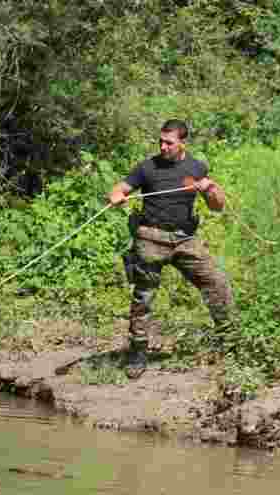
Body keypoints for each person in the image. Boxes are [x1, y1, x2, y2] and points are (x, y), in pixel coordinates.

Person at [108, 119, 235, 379]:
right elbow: (120, 188)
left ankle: (230, 341)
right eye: (161, 141)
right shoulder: (147, 167)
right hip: (150, 237)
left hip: (185, 239)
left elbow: (217, 205)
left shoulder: (196, 167)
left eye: (169, 142)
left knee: (216, 282)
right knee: (143, 297)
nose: (163, 147)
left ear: (182, 143)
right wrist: (116, 196)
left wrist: (209, 188)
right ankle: (138, 352)